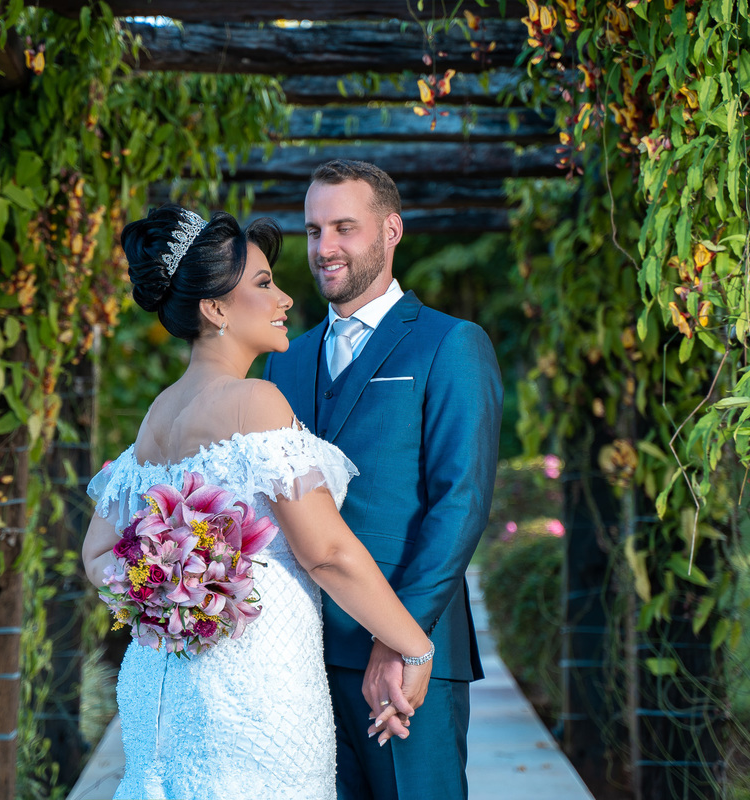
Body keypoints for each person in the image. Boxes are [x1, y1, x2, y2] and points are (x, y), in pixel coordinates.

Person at [82, 205, 437, 800]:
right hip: (251, 688)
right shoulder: (256, 401)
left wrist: (170, 587)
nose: (285, 299)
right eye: (265, 283)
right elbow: (326, 553)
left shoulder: (157, 416)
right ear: (215, 309)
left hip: (160, 687)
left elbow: (98, 556)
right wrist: (415, 646)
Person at [263, 160, 503, 800]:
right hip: (296, 659)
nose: (326, 247)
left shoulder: (450, 344)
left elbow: (460, 503)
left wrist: (399, 640)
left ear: (391, 230)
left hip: (410, 656)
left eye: (345, 227)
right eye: (314, 231)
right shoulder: (283, 362)